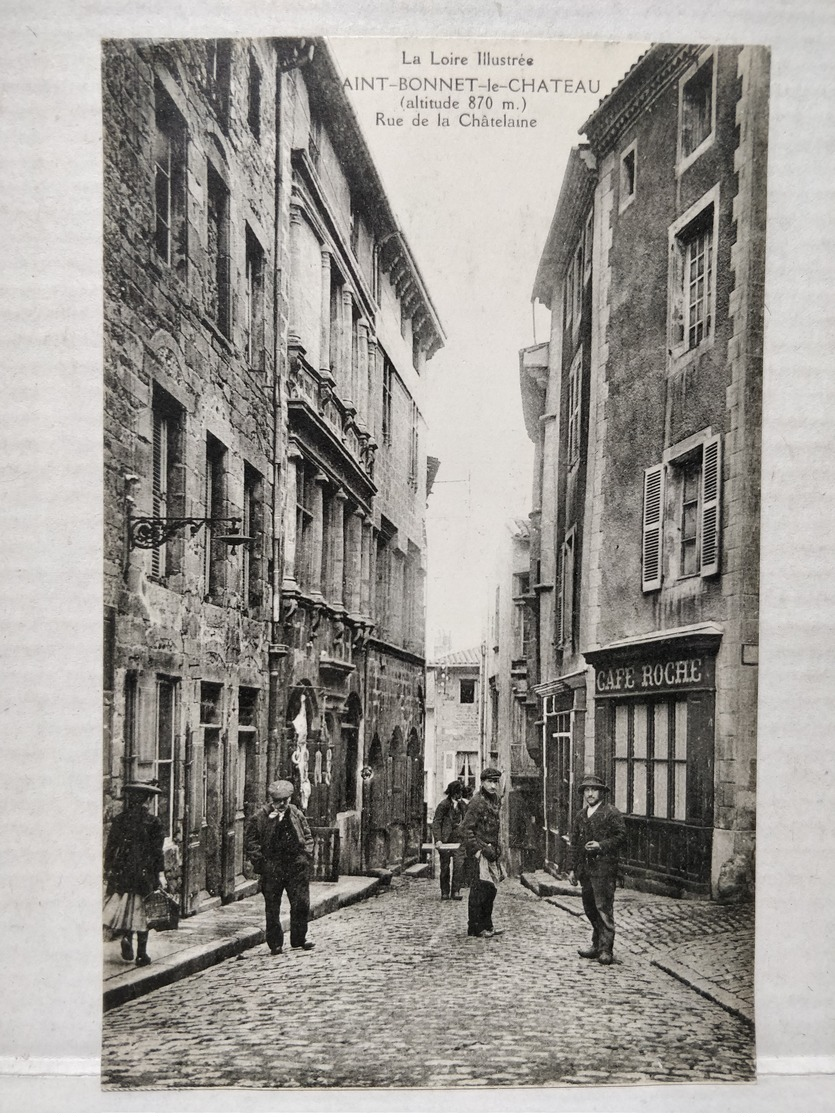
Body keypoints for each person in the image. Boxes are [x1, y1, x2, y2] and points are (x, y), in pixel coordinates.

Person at [245, 779, 315, 956]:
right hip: (273, 868)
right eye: (278, 801)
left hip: (295, 866)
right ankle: (275, 943)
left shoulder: (296, 814)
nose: (282, 804)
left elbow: (307, 836)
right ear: (272, 800)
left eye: (286, 800)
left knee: (301, 903)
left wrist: (306, 856)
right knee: (272, 907)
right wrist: (261, 863)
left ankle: (299, 939)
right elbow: (251, 843)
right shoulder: (260, 817)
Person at [103, 781, 167, 967]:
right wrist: (160, 875)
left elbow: (110, 848)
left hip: (123, 873)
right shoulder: (154, 823)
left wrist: (108, 869)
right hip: (144, 874)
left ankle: (126, 938)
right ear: (147, 800)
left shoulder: (119, 820)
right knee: (142, 913)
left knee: (126, 909)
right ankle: (141, 954)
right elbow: (157, 852)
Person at [568, 773, 626, 965]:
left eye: (594, 790)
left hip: (604, 869)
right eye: (587, 790)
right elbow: (574, 844)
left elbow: (621, 838)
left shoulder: (611, 813)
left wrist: (601, 845)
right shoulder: (580, 815)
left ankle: (606, 949)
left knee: (603, 909)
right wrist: (572, 870)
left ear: (602, 793)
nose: (590, 793)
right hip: (585, 871)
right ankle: (596, 945)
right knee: (590, 908)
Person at [461, 767, 505, 938]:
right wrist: (477, 850)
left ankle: (487, 924)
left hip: (491, 851)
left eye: (496, 782)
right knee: (479, 890)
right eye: (490, 782)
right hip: (480, 853)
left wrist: (496, 847)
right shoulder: (476, 802)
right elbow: (466, 829)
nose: (493, 786)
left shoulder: (494, 801)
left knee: (491, 890)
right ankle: (475, 927)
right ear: (482, 782)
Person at [431, 780, 466, 900]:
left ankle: (456, 891)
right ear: (453, 792)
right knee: (445, 867)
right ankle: (444, 891)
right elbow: (436, 823)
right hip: (445, 841)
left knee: (459, 866)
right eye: (458, 792)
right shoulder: (443, 805)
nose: (460, 794)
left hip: (459, 841)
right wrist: (438, 840)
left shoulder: (463, 806)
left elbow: (467, 821)